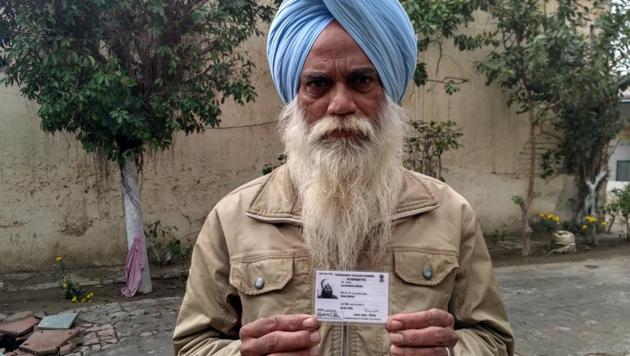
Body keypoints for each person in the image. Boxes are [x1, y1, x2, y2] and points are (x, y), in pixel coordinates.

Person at [173, 0, 515, 355]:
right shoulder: (234, 218)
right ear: (296, 98)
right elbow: (193, 343)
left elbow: (493, 337)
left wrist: (449, 353)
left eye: (361, 80)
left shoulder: (449, 213)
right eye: (318, 84)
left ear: (387, 91)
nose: (340, 105)